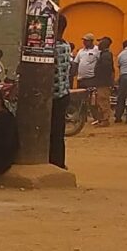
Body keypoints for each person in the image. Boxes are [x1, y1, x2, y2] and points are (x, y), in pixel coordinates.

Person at [51, 14, 73, 169]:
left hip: (54, 96)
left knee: (53, 132)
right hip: (63, 93)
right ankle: (58, 162)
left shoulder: (54, 48)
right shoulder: (65, 45)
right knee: (58, 132)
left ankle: (55, 162)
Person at [94, 36, 116, 125]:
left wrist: (101, 78)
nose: (98, 44)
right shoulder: (104, 54)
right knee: (101, 100)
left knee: (103, 100)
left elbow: (106, 69)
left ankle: (105, 119)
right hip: (102, 81)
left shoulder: (106, 55)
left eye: (100, 42)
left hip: (103, 82)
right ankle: (103, 118)